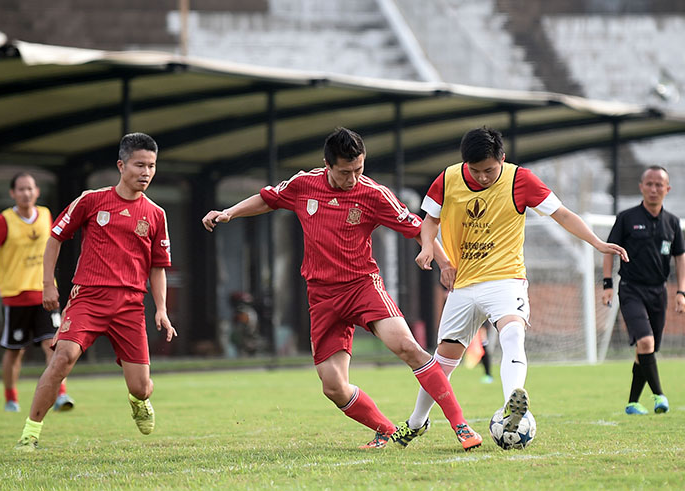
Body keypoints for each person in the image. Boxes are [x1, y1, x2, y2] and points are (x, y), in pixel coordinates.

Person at [202, 127, 482, 450]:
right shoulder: (303, 185)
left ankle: (460, 426)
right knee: (333, 385)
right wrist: (229, 213)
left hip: (362, 286)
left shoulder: (373, 193)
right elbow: (268, 198)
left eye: (359, 169)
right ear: (327, 165)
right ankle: (387, 430)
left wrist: (444, 262)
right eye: (346, 172)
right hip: (321, 296)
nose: (353, 178)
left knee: (408, 346)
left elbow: (418, 228)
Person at [392, 126, 628, 447]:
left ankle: (511, 407)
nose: (483, 177)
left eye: (489, 170)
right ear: (465, 165)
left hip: (505, 278)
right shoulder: (447, 179)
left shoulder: (521, 180)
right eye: (475, 171)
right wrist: (431, 250)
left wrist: (598, 243)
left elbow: (562, 214)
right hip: (463, 283)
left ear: (502, 158)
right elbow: (429, 220)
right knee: (443, 359)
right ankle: (417, 422)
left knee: (513, 332)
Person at [15, 133, 177, 451]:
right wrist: (48, 284)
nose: (146, 172)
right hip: (88, 298)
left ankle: (138, 400)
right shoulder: (92, 200)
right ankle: (30, 434)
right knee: (63, 357)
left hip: (130, 305)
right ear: (121, 165)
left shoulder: (156, 214)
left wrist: (161, 309)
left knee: (142, 387)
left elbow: (158, 266)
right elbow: (55, 237)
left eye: (152, 166)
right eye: (139, 165)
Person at [0, 172, 75, 413]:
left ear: (37, 191)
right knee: (14, 352)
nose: (26, 193)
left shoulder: (45, 215)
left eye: (30, 188)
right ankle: (11, 399)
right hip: (15, 296)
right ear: (13, 193)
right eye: (21, 189)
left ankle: (60, 395)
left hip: (45, 294)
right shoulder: (4, 221)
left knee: (53, 346)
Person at [602, 165, 685, 416]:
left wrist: (681, 291)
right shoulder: (627, 218)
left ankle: (632, 403)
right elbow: (610, 251)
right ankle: (659, 395)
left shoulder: (672, 222)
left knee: (646, 349)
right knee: (646, 341)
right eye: (649, 184)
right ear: (641, 187)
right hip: (630, 290)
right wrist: (607, 285)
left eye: (659, 184)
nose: (653, 188)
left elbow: (680, 257)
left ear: (667, 189)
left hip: (658, 292)